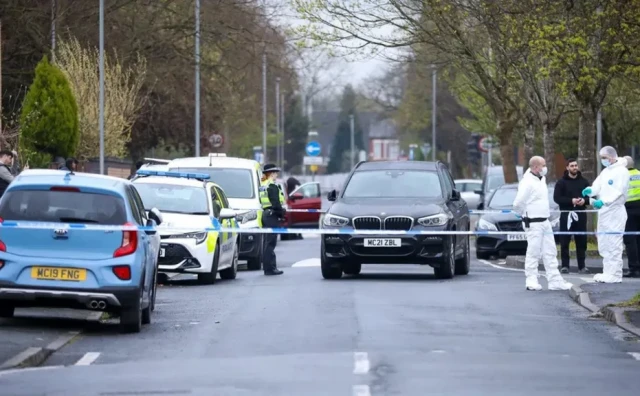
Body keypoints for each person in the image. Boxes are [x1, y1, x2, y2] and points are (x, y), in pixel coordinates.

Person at [513, 156, 573, 291]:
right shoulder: (527, 182)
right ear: (535, 167)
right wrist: (522, 214)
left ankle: (555, 280)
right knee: (533, 252)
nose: (545, 168)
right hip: (533, 222)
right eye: (543, 165)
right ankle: (531, 280)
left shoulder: (541, 179)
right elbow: (518, 203)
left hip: (544, 221)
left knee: (550, 252)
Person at [582, 146, 630, 283]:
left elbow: (618, 191)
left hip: (615, 211)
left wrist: (604, 201)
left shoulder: (622, 172)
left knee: (613, 242)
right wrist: (590, 191)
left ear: (612, 157)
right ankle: (607, 272)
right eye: (601, 158)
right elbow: (597, 186)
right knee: (604, 242)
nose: (603, 160)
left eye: (605, 158)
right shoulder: (606, 171)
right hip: (604, 211)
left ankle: (615, 274)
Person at [553, 158, 591, 274]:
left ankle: (582, 266)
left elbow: (591, 196)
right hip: (566, 215)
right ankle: (565, 266)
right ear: (567, 168)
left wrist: (584, 201)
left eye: (575, 165)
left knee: (581, 241)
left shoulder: (584, 182)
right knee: (564, 241)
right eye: (572, 166)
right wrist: (571, 201)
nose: (574, 167)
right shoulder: (561, 183)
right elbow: (557, 198)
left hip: (580, 214)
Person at [259, 163, 285, 276]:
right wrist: (282, 213)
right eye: (275, 173)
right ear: (271, 174)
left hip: (265, 214)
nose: (276, 175)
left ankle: (268, 268)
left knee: (267, 243)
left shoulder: (263, 185)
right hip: (272, 215)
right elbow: (275, 203)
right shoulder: (272, 186)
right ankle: (270, 268)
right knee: (271, 243)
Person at [622, 156, 640, 278]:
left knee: (629, 239)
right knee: (639, 239)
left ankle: (634, 268)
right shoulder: (639, 174)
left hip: (628, 209)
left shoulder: (622, 177)